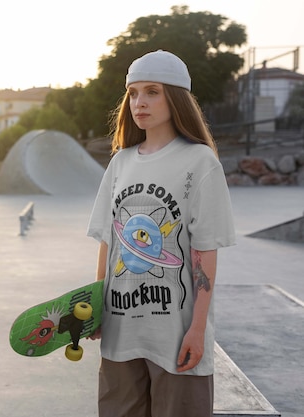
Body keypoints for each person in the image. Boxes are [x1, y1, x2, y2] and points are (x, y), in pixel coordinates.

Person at [86, 50, 236, 417]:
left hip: (174, 334)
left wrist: (197, 329)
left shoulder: (199, 162)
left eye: (152, 91)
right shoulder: (120, 162)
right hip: (121, 331)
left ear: (176, 97)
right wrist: (96, 306)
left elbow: (205, 252)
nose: (140, 102)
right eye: (134, 93)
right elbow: (110, 239)